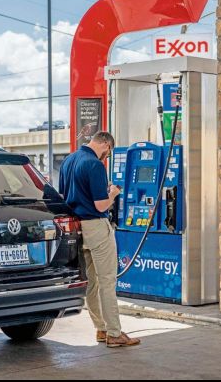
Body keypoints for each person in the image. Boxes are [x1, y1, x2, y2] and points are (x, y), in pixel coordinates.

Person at [59, 131, 141, 348]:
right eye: (108, 151)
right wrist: (113, 193)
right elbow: (100, 205)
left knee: (92, 282)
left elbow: (63, 196)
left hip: (77, 227)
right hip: (96, 226)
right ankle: (114, 333)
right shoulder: (94, 165)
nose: (107, 156)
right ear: (105, 144)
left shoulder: (69, 160)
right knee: (107, 280)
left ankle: (101, 329)